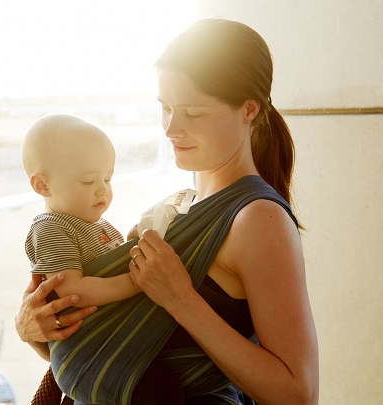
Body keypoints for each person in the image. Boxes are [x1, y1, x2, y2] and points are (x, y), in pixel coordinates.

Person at [16, 18, 319, 405]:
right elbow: (110, 354)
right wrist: (36, 330)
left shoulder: (258, 219)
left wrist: (180, 298)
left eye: (192, 113)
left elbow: (298, 394)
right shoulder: (176, 206)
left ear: (248, 109)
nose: (171, 128)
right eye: (165, 108)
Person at [21, 113, 185, 404]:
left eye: (107, 179)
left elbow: (108, 267)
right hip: (91, 357)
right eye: (87, 181)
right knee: (160, 390)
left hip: (113, 345)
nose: (102, 190)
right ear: (42, 185)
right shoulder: (50, 228)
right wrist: (136, 282)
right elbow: (74, 291)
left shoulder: (100, 226)